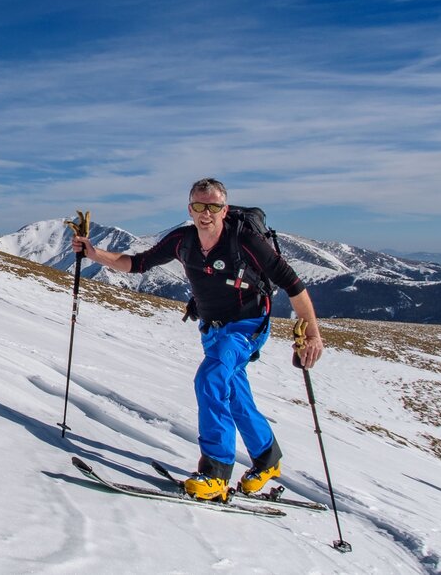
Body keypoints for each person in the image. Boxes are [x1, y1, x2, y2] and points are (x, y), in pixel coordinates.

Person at [71, 177, 324, 501]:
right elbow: (137, 263)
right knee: (231, 392)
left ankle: (216, 472)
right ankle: (267, 457)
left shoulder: (243, 240)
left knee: (211, 378)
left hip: (246, 327)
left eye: (214, 206)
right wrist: (93, 253)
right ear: (190, 209)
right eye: (199, 206)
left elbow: (293, 285)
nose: (206, 213)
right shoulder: (183, 240)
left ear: (225, 209)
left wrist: (312, 333)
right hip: (212, 330)